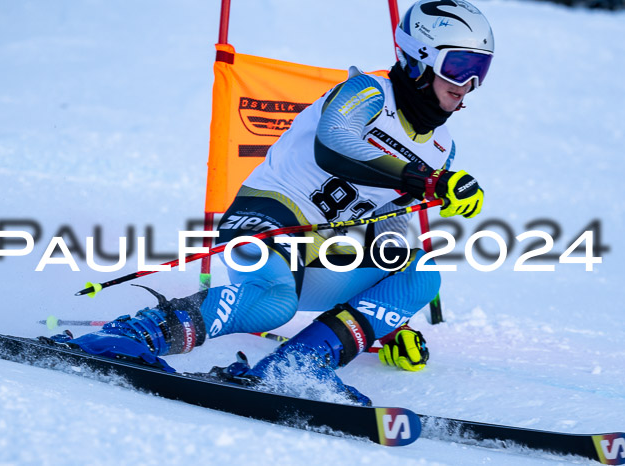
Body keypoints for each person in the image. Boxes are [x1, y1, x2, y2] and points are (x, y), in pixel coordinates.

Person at [49, 0, 494, 405]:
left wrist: (393, 321)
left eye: (481, 69)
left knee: (421, 275)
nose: (468, 84)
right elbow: (333, 144)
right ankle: (133, 333)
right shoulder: (368, 92)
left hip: (321, 253)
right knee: (272, 303)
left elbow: (391, 227)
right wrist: (424, 179)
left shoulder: (441, 146)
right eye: (459, 66)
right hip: (268, 218)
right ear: (417, 57)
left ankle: (298, 366)